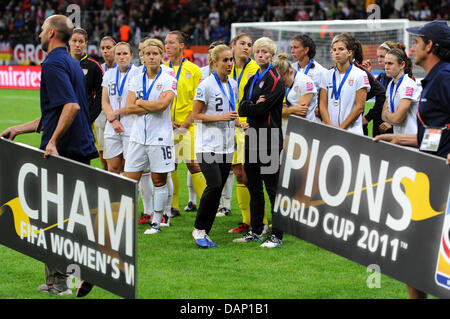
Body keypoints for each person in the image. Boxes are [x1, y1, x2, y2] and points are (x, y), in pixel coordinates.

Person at [0, 14, 98, 296]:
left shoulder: (54, 63)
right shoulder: (69, 62)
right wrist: (19, 129)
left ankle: (72, 276)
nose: (39, 34)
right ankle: (59, 280)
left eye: (42, 29)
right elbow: (55, 112)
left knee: (55, 218)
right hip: (77, 146)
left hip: (64, 150)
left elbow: (71, 107)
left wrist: (52, 142)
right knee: (61, 216)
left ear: (52, 33)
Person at [374, 20, 450, 298]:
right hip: (427, 180)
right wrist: (395, 138)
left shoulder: (445, 77)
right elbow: (434, 136)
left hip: (443, 186)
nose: (412, 47)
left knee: (422, 258)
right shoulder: (431, 81)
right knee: (414, 260)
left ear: (430, 46)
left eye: (417, 42)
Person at [119, 38, 177, 234]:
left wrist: (140, 102)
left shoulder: (168, 78)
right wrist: (149, 105)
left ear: (162, 56)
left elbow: (162, 106)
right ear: (142, 56)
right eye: (148, 54)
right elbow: (128, 107)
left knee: (159, 180)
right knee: (129, 179)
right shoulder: (135, 78)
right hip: (137, 137)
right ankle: (127, 218)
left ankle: (157, 221)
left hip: (160, 138)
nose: (151, 57)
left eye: (155, 54)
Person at [234, 37, 285, 248]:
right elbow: (241, 107)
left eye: (265, 52)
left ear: (272, 55)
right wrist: (252, 104)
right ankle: (256, 230)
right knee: (253, 185)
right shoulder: (253, 77)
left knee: (272, 188)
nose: (260, 54)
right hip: (252, 136)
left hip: (269, 137)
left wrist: (252, 105)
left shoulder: (274, 78)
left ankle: (277, 235)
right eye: (258, 51)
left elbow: (260, 109)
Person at [191, 44, 240, 247]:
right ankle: (199, 228)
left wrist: (238, 122)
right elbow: (196, 115)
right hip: (207, 145)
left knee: (217, 189)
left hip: (226, 145)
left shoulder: (234, 85)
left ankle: (204, 231)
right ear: (214, 62)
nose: (230, 64)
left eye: (231, 60)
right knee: (215, 185)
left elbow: (231, 112)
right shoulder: (206, 85)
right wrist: (222, 117)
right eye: (225, 60)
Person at [226, 33, 268, 233]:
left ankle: (262, 222)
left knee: (252, 176)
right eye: (242, 44)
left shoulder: (256, 70)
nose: (246, 47)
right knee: (238, 174)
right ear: (232, 46)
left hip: (248, 127)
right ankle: (246, 220)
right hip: (229, 126)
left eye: (249, 45)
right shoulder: (227, 67)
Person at [164, 30, 206, 218]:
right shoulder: (163, 68)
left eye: (171, 42)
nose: (167, 46)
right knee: (169, 165)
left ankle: (207, 205)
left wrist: (187, 122)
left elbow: (199, 99)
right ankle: (173, 207)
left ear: (182, 45)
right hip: (166, 125)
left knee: (193, 165)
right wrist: (167, 120)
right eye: (166, 43)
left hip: (188, 124)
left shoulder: (194, 70)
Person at [319, 33, 370, 135]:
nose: (337, 52)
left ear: (349, 52)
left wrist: (341, 128)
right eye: (334, 50)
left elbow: (360, 107)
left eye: (341, 49)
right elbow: (322, 104)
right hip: (330, 131)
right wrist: (329, 126)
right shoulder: (326, 75)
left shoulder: (360, 74)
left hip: (352, 132)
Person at [101, 42, 139, 175]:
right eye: (118, 54)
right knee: (112, 169)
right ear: (114, 56)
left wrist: (115, 113)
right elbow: (104, 102)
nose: (122, 57)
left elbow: (136, 103)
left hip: (131, 126)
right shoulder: (109, 74)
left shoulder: (138, 74)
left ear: (131, 55)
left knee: (130, 169)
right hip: (112, 127)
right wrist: (113, 120)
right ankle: (115, 196)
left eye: (125, 54)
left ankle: (130, 196)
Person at [351, 38, 388, 138]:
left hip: (389, 125)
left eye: (382, 56)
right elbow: (365, 96)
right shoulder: (381, 76)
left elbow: (384, 97)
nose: (379, 60)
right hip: (377, 123)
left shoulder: (406, 80)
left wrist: (368, 117)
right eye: (378, 56)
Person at [273, 53, 317, 136]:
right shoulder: (278, 83)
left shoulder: (305, 81)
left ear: (291, 72)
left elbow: (301, 113)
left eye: (284, 81)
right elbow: (273, 111)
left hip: (305, 131)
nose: (282, 85)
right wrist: (292, 109)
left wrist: (285, 110)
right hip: (287, 129)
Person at [69, 28, 104, 125]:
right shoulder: (62, 63)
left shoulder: (94, 66)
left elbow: (100, 96)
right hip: (63, 118)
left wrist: (89, 118)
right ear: (69, 41)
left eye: (81, 41)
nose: (77, 45)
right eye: (74, 41)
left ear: (86, 43)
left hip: (84, 119)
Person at [382, 47, 420, 136]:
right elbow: (382, 116)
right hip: (399, 137)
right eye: (385, 63)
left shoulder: (408, 84)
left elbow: (397, 119)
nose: (386, 67)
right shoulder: (391, 84)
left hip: (412, 137)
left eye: (390, 63)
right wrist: (391, 116)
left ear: (402, 65)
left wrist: (388, 114)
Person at [290, 34, 327, 122]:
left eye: (295, 47)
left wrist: (321, 107)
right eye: (291, 48)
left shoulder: (321, 71)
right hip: (291, 117)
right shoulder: (290, 69)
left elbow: (327, 95)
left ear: (306, 50)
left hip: (312, 120)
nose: (292, 51)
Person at [95, 36, 117, 171]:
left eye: (108, 48)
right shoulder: (99, 69)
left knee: (117, 163)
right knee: (103, 161)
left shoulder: (124, 69)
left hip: (118, 118)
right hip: (101, 119)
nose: (105, 51)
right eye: (103, 48)